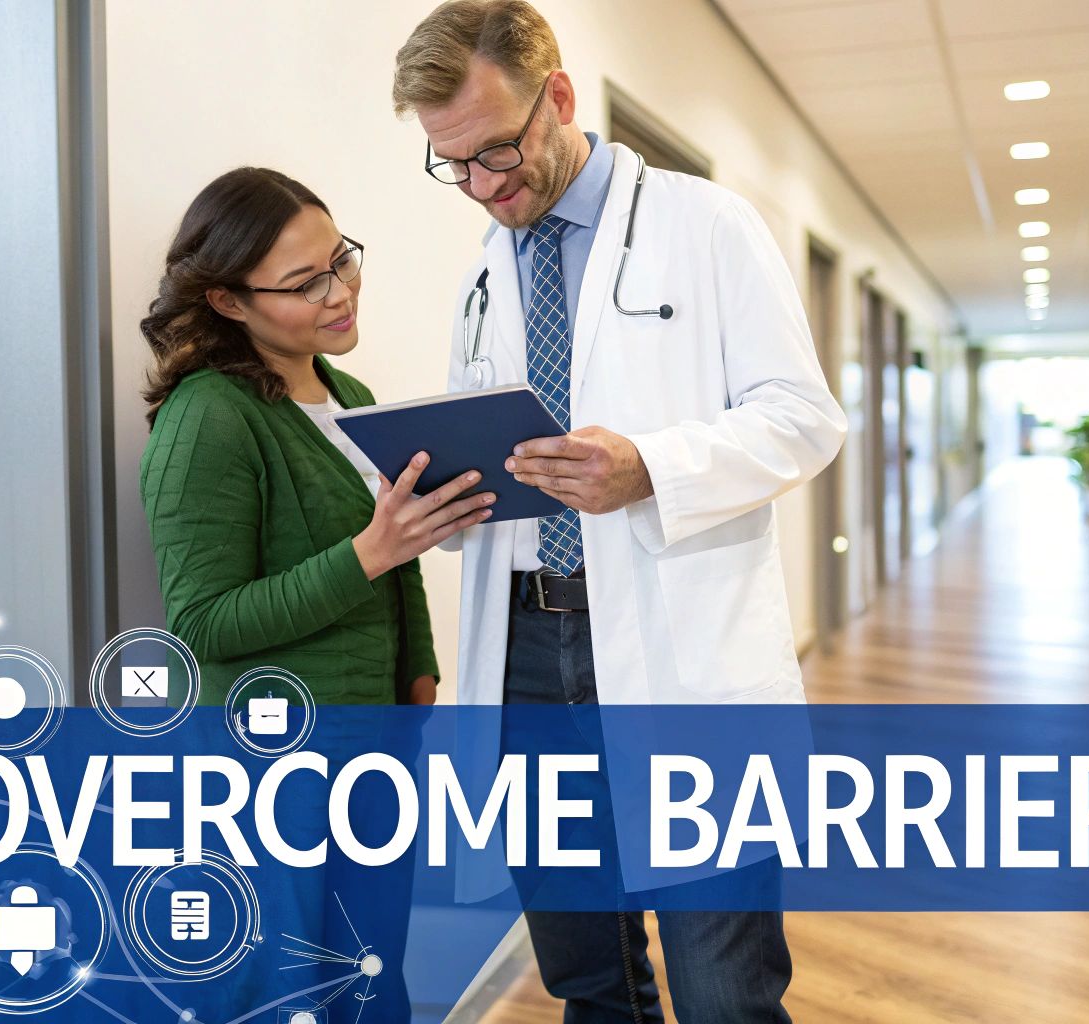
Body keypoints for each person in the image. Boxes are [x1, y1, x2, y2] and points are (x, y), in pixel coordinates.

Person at [392, 3, 848, 1020]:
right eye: (453, 164)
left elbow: (804, 419)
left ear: (557, 96)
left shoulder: (708, 225)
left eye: (497, 151)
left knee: (722, 987)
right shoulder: (482, 265)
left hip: (676, 643)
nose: (483, 185)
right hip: (520, 652)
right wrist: (441, 497)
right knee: (587, 977)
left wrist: (653, 464)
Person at [138, 166, 494, 705]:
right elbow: (200, 624)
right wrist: (367, 555)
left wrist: (420, 681)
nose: (341, 295)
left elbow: (397, 553)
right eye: (306, 284)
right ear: (228, 302)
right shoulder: (207, 417)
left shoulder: (353, 396)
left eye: (342, 262)